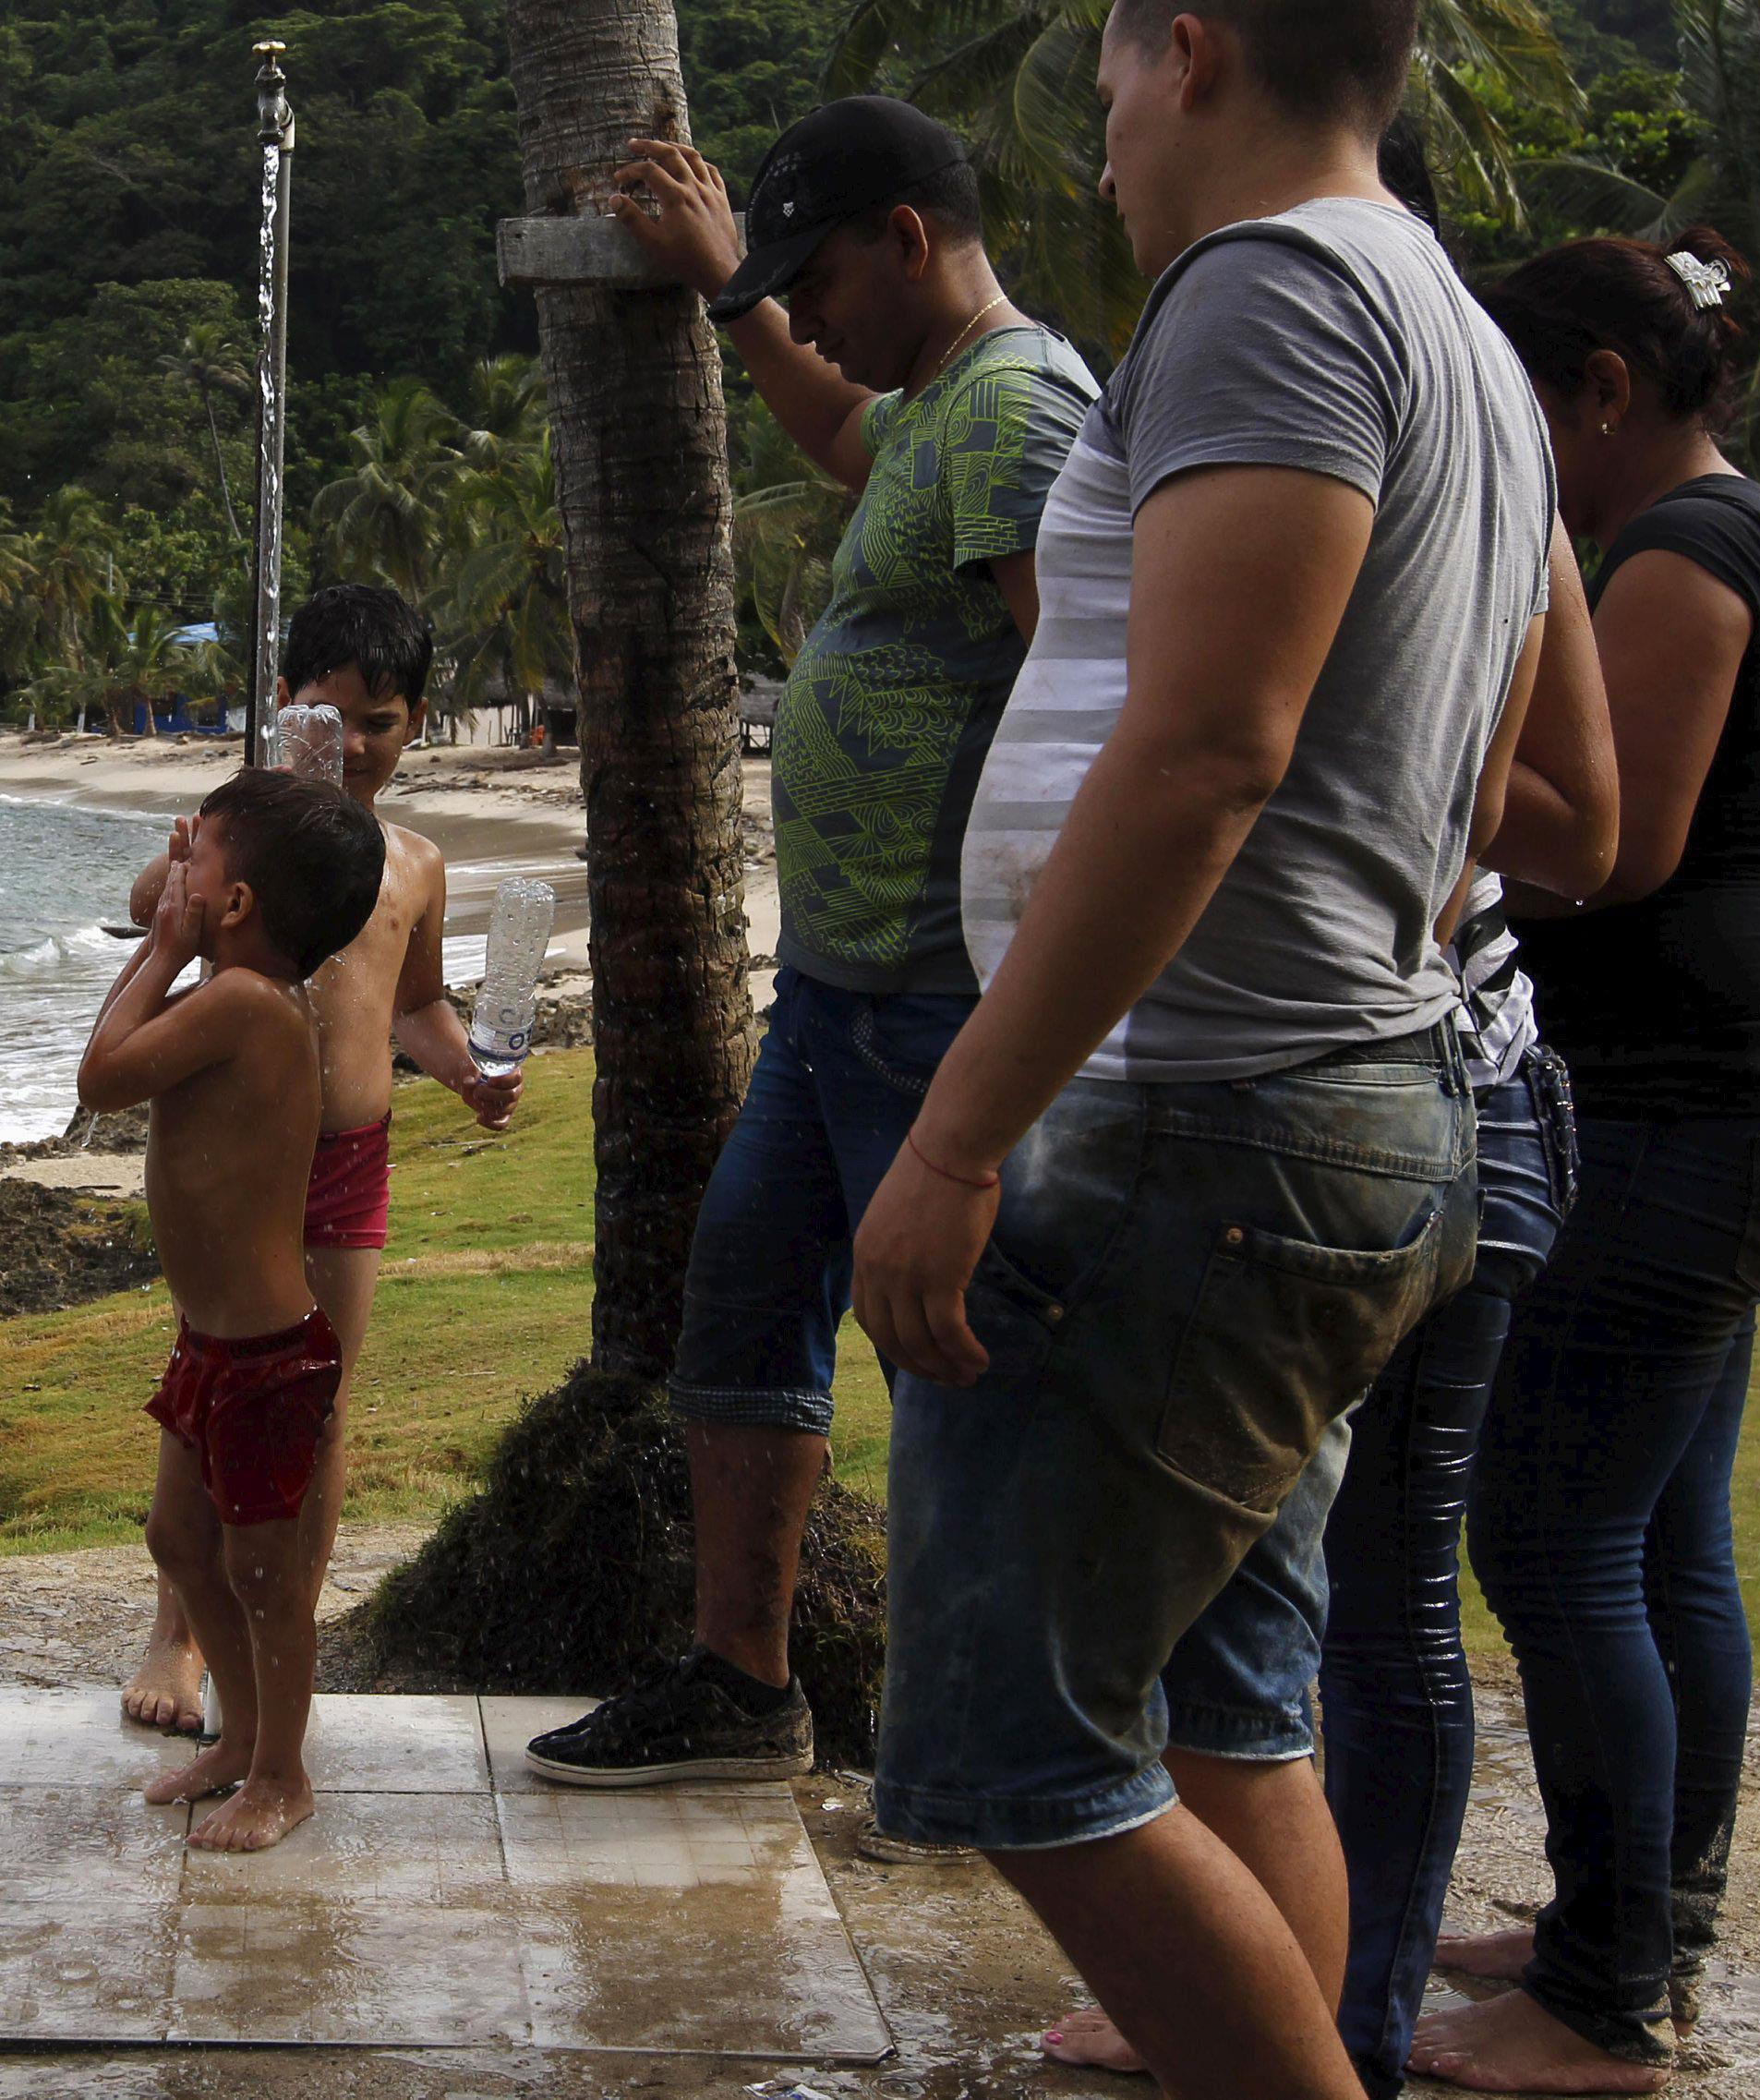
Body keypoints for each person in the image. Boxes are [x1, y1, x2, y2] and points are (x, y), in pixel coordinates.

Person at [846, 2, 1563, 2093]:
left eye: (1108, 103)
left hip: (1205, 1131)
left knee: (1014, 1736)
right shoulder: (1454, 325)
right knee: (1242, 1707)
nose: (1101, 160)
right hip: (1338, 1107)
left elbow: (1210, 742)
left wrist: (960, 1135)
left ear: (1197, 46)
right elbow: (1484, 762)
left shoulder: (1270, 286)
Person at [523, 94, 1099, 1789]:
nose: (817, 305)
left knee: (960, 1376)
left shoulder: (1017, 412)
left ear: (907, 238)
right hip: (838, 993)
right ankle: (743, 1682)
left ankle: (996, 1752)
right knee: (747, 1318)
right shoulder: (934, 408)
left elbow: (1083, 705)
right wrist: (737, 299)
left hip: (942, 1005)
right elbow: (844, 435)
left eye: (821, 271)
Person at [1407, 231, 1760, 2095]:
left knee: (1549, 1531)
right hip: (1716, 1111)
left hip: (1699, 1114)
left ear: (1597, 386)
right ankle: (1632, 1927)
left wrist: (1392, 750)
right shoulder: (1715, 529)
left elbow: (1614, 846)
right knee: (1664, 1539)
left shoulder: (1682, 551)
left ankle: (1607, 1999)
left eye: (1521, 411)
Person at [116, 585, 522, 1736]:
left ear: (416, 723)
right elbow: (152, 908)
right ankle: (178, 1631)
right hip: (241, 1161)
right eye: (321, 715)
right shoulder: (233, 836)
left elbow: (417, 1006)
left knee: (320, 1401)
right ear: (281, 705)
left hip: (346, 1158)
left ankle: (287, 1610)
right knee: (206, 1381)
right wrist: (196, 854)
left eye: (376, 723)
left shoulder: (413, 863)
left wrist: (463, 1072)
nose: (347, 747)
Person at [78, 767, 387, 1853]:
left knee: (264, 1572)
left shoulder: (248, 1007)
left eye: (192, 855)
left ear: (240, 906)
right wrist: (169, 932)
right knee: (179, 1538)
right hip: (212, 1344)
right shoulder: (232, 997)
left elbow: (102, 1075)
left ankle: (282, 1775)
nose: (171, 870)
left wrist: (163, 944)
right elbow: (123, 1052)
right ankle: (241, 1737)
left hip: (267, 1358)